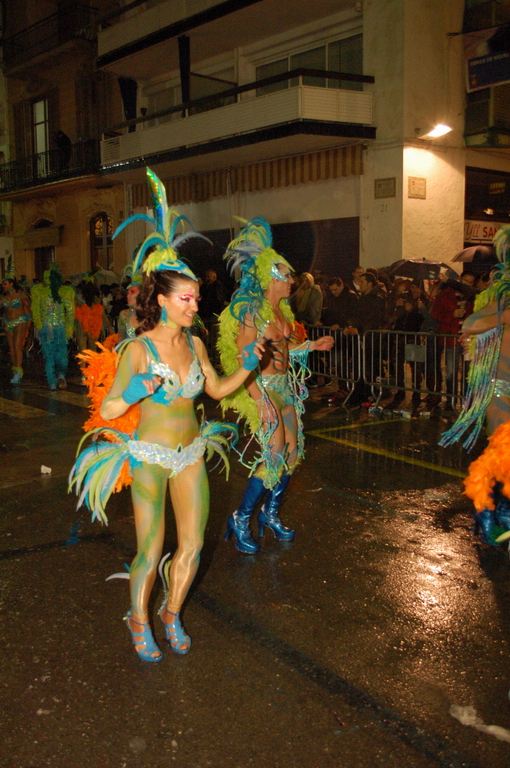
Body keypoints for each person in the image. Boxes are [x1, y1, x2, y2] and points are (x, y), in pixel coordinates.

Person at [70, 169, 264, 661]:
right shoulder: (138, 350)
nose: (194, 304)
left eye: (196, 297)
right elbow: (110, 409)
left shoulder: (196, 341)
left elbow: (215, 389)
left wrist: (246, 367)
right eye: (186, 298)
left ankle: (171, 612)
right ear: (161, 300)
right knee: (150, 549)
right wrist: (133, 390)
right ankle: (139, 619)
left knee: (193, 547)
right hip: (150, 458)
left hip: (191, 454)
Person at [217, 217, 334, 554]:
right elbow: (244, 358)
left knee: (292, 455)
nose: (291, 279)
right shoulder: (251, 313)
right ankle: (241, 518)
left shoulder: (282, 311)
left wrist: (310, 346)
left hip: (286, 390)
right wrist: (259, 400)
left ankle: (269, 513)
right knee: (273, 457)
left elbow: (281, 349)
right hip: (264, 389)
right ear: (270, 276)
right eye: (286, 274)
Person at [440, 227, 510, 545]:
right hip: (500, 393)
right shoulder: (502, 300)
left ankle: (498, 514)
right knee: (501, 456)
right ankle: (486, 514)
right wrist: (504, 316)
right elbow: (469, 324)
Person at [31, 265, 75, 390]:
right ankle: (61, 375)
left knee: (48, 356)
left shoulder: (39, 292)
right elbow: (70, 313)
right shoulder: (65, 292)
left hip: (46, 328)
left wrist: (38, 326)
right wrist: (69, 328)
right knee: (61, 354)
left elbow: (36, 311)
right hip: (60, 328)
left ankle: (52, 381)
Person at [1, 262, 32, 384]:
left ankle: (19, 372)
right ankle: (15, 370)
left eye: (5, 284)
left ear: (11, 284)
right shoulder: (3, 297)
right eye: (3, 284)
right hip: (7, 322)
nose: (3, 286)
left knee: (17, 346)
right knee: (11, 348)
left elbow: (29, 308)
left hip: (20, 320)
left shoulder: (21, 295)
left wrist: (31, 321)